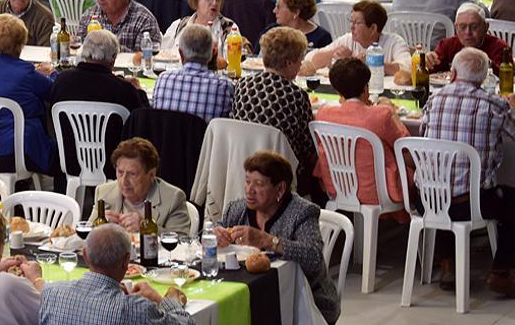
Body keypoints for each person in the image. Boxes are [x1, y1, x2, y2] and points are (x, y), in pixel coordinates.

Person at [215, 151, 340, 325]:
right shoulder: (237, 209)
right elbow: (207, 234)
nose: (249, 190)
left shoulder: (301, 212)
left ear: (280, 189)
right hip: (255, 300)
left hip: (306, 302)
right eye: (247, 181)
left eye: (259, 184)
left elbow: (313, 256)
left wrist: (268, 240)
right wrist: (215, 235)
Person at [40, 222, 199, 325]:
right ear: (126, 261)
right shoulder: (135, 311)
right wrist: (159, 298)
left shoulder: (51, 294)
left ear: (85, 255)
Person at [421, 47, 515, 294]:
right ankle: (501, 270)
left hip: (429, 201)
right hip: (472, 204)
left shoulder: (434, 99)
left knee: (443, 180)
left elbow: (423, 139)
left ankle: (448, 262)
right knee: (511, 200)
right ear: (484, 78)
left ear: (452, 73)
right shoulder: (494, 104)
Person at [313, 56, 410, 209]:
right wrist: (392, 111)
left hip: (336, 187)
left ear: (337, 90)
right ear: (366, 88)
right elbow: (405, 148)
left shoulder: (323, 114)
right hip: (377, 192)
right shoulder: (382, 115)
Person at [0, 14, 56, 175]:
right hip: (13, 152)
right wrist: (52, 72)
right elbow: (54, 92)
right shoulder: (25, 73)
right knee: (61, 154)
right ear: (21, 43)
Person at [231, 27, 318, 191]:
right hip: (280, 171)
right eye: (300, 60)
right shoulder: (296, 95)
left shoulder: (242, 85)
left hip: (243, 166)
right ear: (288, 63)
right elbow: (307, 147)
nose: (301, 65)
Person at [48, 29, 148, 114]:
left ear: (84, 52)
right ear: (113, 58)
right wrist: (139, 91)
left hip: (68, 137)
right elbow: (143, 119)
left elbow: (51, 113)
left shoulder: (62, 81)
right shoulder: (124, 90)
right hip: (113, 137)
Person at [302, 0, 411, 76]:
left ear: (373, 28)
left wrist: (371, 62)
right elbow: (309, 59)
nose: (351, 27)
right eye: (351, 21)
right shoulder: (347, 40)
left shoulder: (394, 42)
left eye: (357, 23)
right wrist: (333, 53)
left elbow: (408, 68)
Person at [153, 24, 234, 122]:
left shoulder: (163, 80)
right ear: (212, 55)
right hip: (203, 137)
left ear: (181, 54)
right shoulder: (224, 86)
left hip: (165, 137)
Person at [161, 0, 238, 55]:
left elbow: (233, 64)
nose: (214, 3)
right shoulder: (178, 25)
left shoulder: (229, 29)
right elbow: (162, 55)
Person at [427, 3, 507, 72]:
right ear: (456, 28)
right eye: (462, 27)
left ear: (485, 27)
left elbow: (507, 77)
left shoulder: (499, 48)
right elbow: (432, 71)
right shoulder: (447, 45)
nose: (468, 32)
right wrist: (428, 61)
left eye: (474, 26)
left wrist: (487, 63)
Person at [264, 0, 332, 49]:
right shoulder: (272, 32)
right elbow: (255, 57)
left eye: (278, 6)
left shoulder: (322, 38)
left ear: (296, 12)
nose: (274, 11)